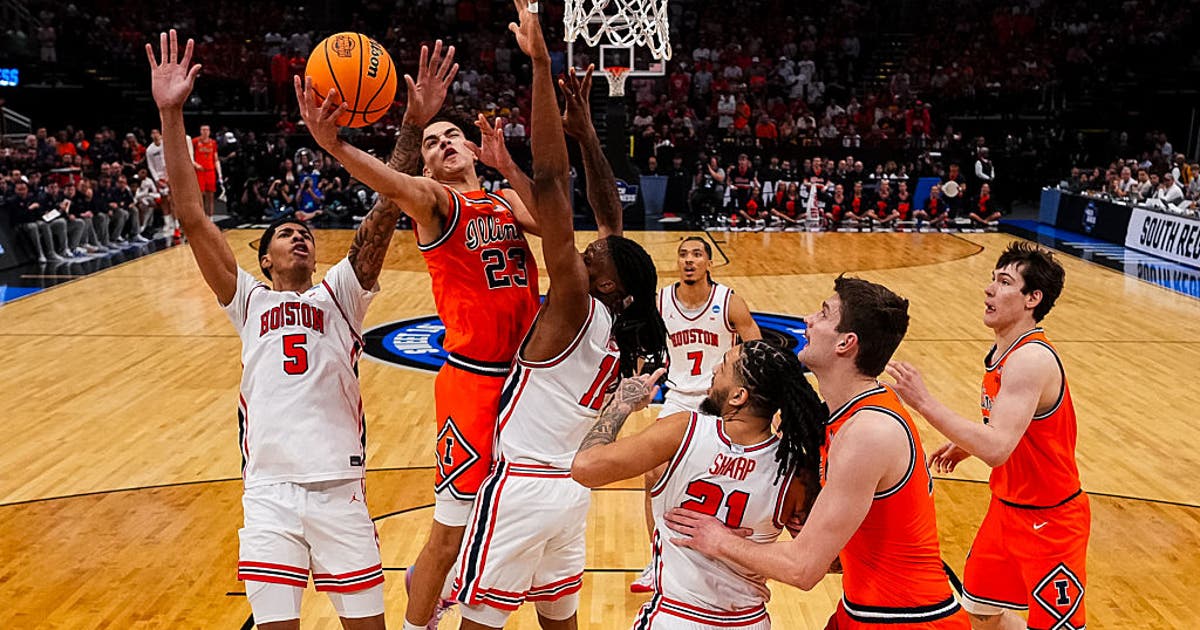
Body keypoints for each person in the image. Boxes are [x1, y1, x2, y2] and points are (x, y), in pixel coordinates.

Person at [148, 30, 399, 629]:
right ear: (263, 258)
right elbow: (190, 213)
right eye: (285, 233)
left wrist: (407, 128)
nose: (300, 235)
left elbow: (387, 210)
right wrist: (172, 112)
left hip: (341, 488)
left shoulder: (341, 294)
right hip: (270, 492)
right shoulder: (247, 298)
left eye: (305, 232)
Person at [450, 3, 666, 627]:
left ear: (602, 279)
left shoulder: (572, 298)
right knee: (560, 620)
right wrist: (589, 134)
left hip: (518, 487)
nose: (588, 244)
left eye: (592, 253)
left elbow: (551, 179)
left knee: (479, 621)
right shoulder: (620, 325)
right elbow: (610, 220)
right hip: (570, 491)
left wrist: (542, 64)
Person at [664, 276, 970, 629]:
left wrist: (718, 540)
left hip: (908, 619)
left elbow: (802, 569)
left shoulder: (868, 433)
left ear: (846, 343)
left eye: (824, 314)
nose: (808, 319)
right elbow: (834, 562)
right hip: (863, 610)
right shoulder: (844, 416)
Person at [886, 242, 1088, 630]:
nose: (989, 289)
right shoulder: (1004, 351)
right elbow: (1011, 425)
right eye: (993, 279)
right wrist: (966, 445)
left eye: (1004, 282)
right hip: (1007, 509)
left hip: (1051, 521)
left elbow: (997, 448)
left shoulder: (1031, 359)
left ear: (1033, 298)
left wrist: (924, 402)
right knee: (980, 614)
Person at [573, 340, 827, 628]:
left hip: (675, 617)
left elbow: (585, 468)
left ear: (738, 396)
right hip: (748, 622)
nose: (715, 369)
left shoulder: (683, 431)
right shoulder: (795, 472)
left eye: (725, 365)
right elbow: (828, 564)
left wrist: (621, 403)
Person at [627, 235, 762, 593]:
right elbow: (643, 342)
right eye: (683, 254)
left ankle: (723, 554)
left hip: (720, 403)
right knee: (653, 474)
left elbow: (755, 349)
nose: (689, 260)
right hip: (678, 399)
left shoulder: (728, 302)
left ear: (709, 263)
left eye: (697, 255)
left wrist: (753, 398)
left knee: (719, 480)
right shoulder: (661, 301)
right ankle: (658, 561)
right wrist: (639, 380)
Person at [193, 124, 222, 217]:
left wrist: (219, 173)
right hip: (199, 171)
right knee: (200, 196)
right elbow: (189, 155)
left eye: (207, 130)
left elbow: (216, 158)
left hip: (210, 171)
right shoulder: (195, 141)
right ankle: (201, 217)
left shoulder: (213, 143)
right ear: (200, 131)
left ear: (209, 132)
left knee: (211, 196)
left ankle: (211, 218)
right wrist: (195, 165)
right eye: (203, 130)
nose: (205, 132)